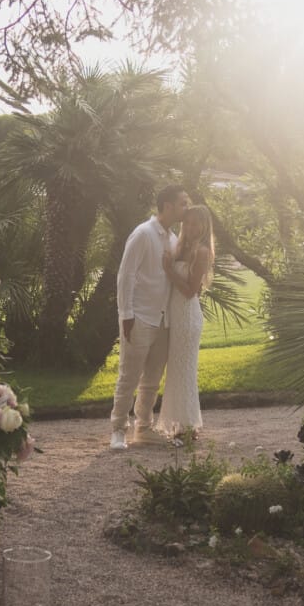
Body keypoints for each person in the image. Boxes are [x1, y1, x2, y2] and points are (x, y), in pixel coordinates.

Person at [109, 185, 190, 450]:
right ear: (168, 205)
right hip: (140, 317)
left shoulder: (173, 238)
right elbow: (126, 275)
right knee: (129, 376)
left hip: (164, 320)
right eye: (183, 204)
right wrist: (126, 315)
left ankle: (143, 428)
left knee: (153, 378)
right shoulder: (143, 234)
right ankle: (118, 430)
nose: (186, 209)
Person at [156, 204, 214, 439]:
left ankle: (188, 426)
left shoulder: (201, 251)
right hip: (175, 315)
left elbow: (191, 291)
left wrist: (169, 271)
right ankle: (179, 424)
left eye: (195, 223)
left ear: (204, 226)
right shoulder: (181, 247)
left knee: (184, 371)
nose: (189, 227)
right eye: (186, 222)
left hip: (187, 317)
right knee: (176, 371)